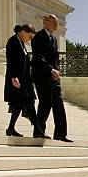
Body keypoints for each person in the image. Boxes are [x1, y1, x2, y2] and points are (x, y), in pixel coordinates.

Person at [31, 14, 71, 142]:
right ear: (45, 23)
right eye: (53, 22)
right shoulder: (38, 37)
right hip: (42, 77)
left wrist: (57, 71)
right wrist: (50, 70)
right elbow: (38, 57)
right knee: (45, 104)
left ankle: (60, 134)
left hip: (54, 78)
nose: (56, 25)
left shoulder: (53, 39)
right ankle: (39, 131)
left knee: (58, 105)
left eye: (57, 23)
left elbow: (55, 59)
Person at [4, 24, 48, 138]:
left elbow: (25, 63)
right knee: (27, 104)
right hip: (17, 80)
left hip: (25, 81)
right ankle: (38, 130)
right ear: (23, 32)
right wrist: (13, 77)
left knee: (20, 105)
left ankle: (11, 128)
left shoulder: (21, 43)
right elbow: (11, 61)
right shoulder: (12, 42)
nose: (30, 40)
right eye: (30, 37)